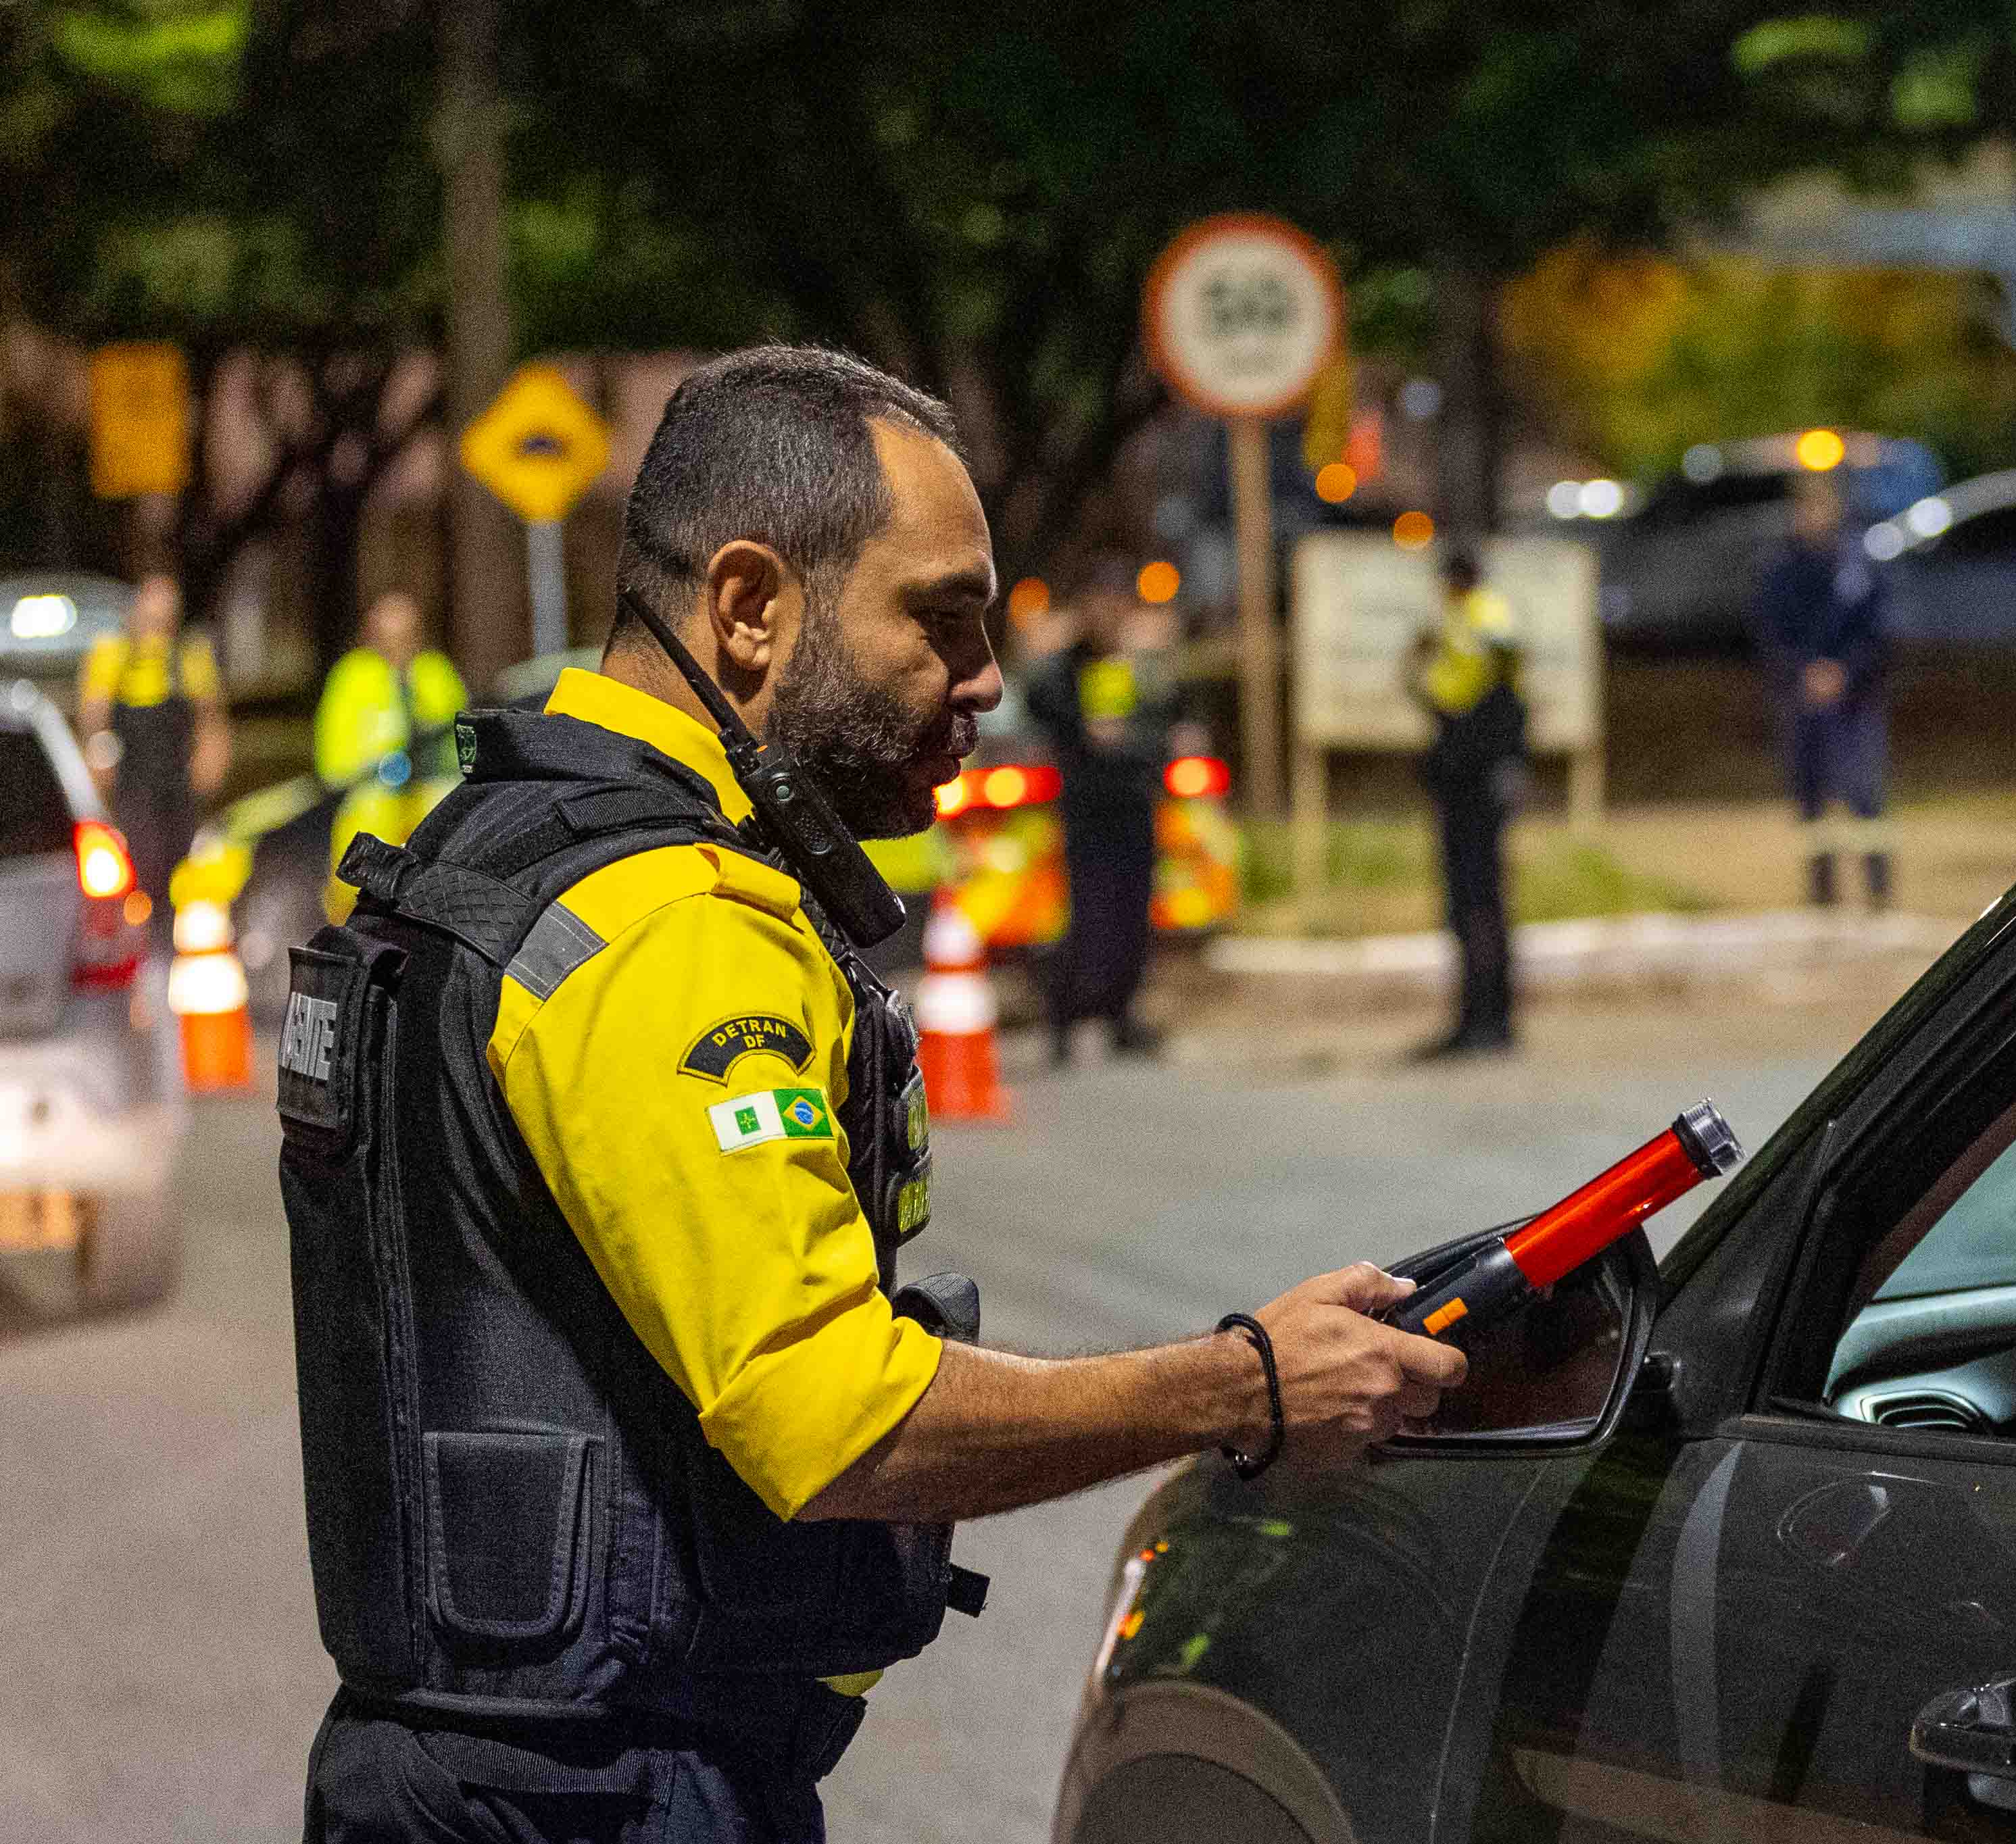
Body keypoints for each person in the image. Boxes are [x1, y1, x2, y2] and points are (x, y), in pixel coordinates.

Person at [282, 346, 1463, 1842]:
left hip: (478, 1772)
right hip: (600, 1795)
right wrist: (1245, 1382)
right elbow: (832, 1417)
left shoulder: (496, 844)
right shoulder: (669, 925)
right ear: (750, 606)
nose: (983, 675)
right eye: (940, 618)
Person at [1022, 555, 1183, 1065]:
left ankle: (1120, 1013)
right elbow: (1040, 703)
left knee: (1132, 914)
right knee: (1086, 915)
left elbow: (1169, 714)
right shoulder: (1068, 664)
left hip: (1132, 801)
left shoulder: (1139, 663)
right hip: (1087, 804)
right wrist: (1081, 731)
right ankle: (1066, 1018)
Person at [1750, 474, 1894, 909]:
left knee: (1865, 793)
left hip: (1857, 701)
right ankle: (1822, 891)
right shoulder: (1780, 572)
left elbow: (1880, 633)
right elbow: (1770, 632)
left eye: (1823, 507)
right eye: (1807, 509)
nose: (1815, 517)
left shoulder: (1861, 569)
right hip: (1801, 699)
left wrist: (1845, 673)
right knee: (1810, 797)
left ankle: (1877, 888)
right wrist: (1805, 673)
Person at [1405, 548, 1527, 1059]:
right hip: (1471, 777)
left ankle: (1485, 1019)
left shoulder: (1475, 622)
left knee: (1476, 903)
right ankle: (1484, 1017)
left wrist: (1417, 669)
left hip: (1473, 779)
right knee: (1478, 903)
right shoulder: (1475, 620)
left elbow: (1469, 700)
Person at [76, 572, 228, 935]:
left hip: (177, 780)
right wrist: (99, 762)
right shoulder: (112, 655)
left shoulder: (190, 657)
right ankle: (142, 932)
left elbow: (210, 716)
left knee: (179, 861)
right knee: (143, 859)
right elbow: (94, 717)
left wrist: (213, 756)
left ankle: (167, 932)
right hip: (134, 780)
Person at [315, 590, 470, 920]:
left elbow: (462, 740)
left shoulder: (436, 673)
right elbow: (332, 755)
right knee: (357, 897)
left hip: (431, 803)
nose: (397, 645)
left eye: (405, 635)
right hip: (372, 806)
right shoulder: (352, 676)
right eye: (388, 636)